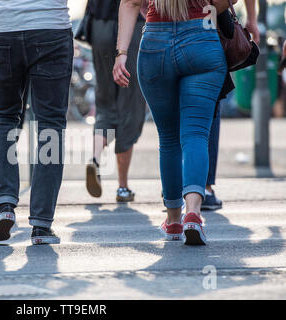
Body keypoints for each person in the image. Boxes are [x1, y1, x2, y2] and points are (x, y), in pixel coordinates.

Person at [114, 0, 235, 245]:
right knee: (196, 134)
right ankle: (193, 214)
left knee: (169, 138)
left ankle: (173, 221)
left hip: (155, 43)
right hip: (202, 38)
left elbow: (129, 3)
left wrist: (121, 54)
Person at [0, 0, 73, 244]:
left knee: (2, 116)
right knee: (50, 124)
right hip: (50, 26)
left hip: (2, 26)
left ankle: (4, 205)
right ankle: (42, 226)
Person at [84, 0, 147, 202]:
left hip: (99, 24)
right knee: (130, 104)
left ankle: (94, 158)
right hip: (133, 24)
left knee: (104, 101)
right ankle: (122, 186)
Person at [202, 0, 260, 211]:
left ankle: (175, 188)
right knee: (210, 108)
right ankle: (204, 189)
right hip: (208, 30)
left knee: (178, 113)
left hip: (166, 32)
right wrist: (251, 20)